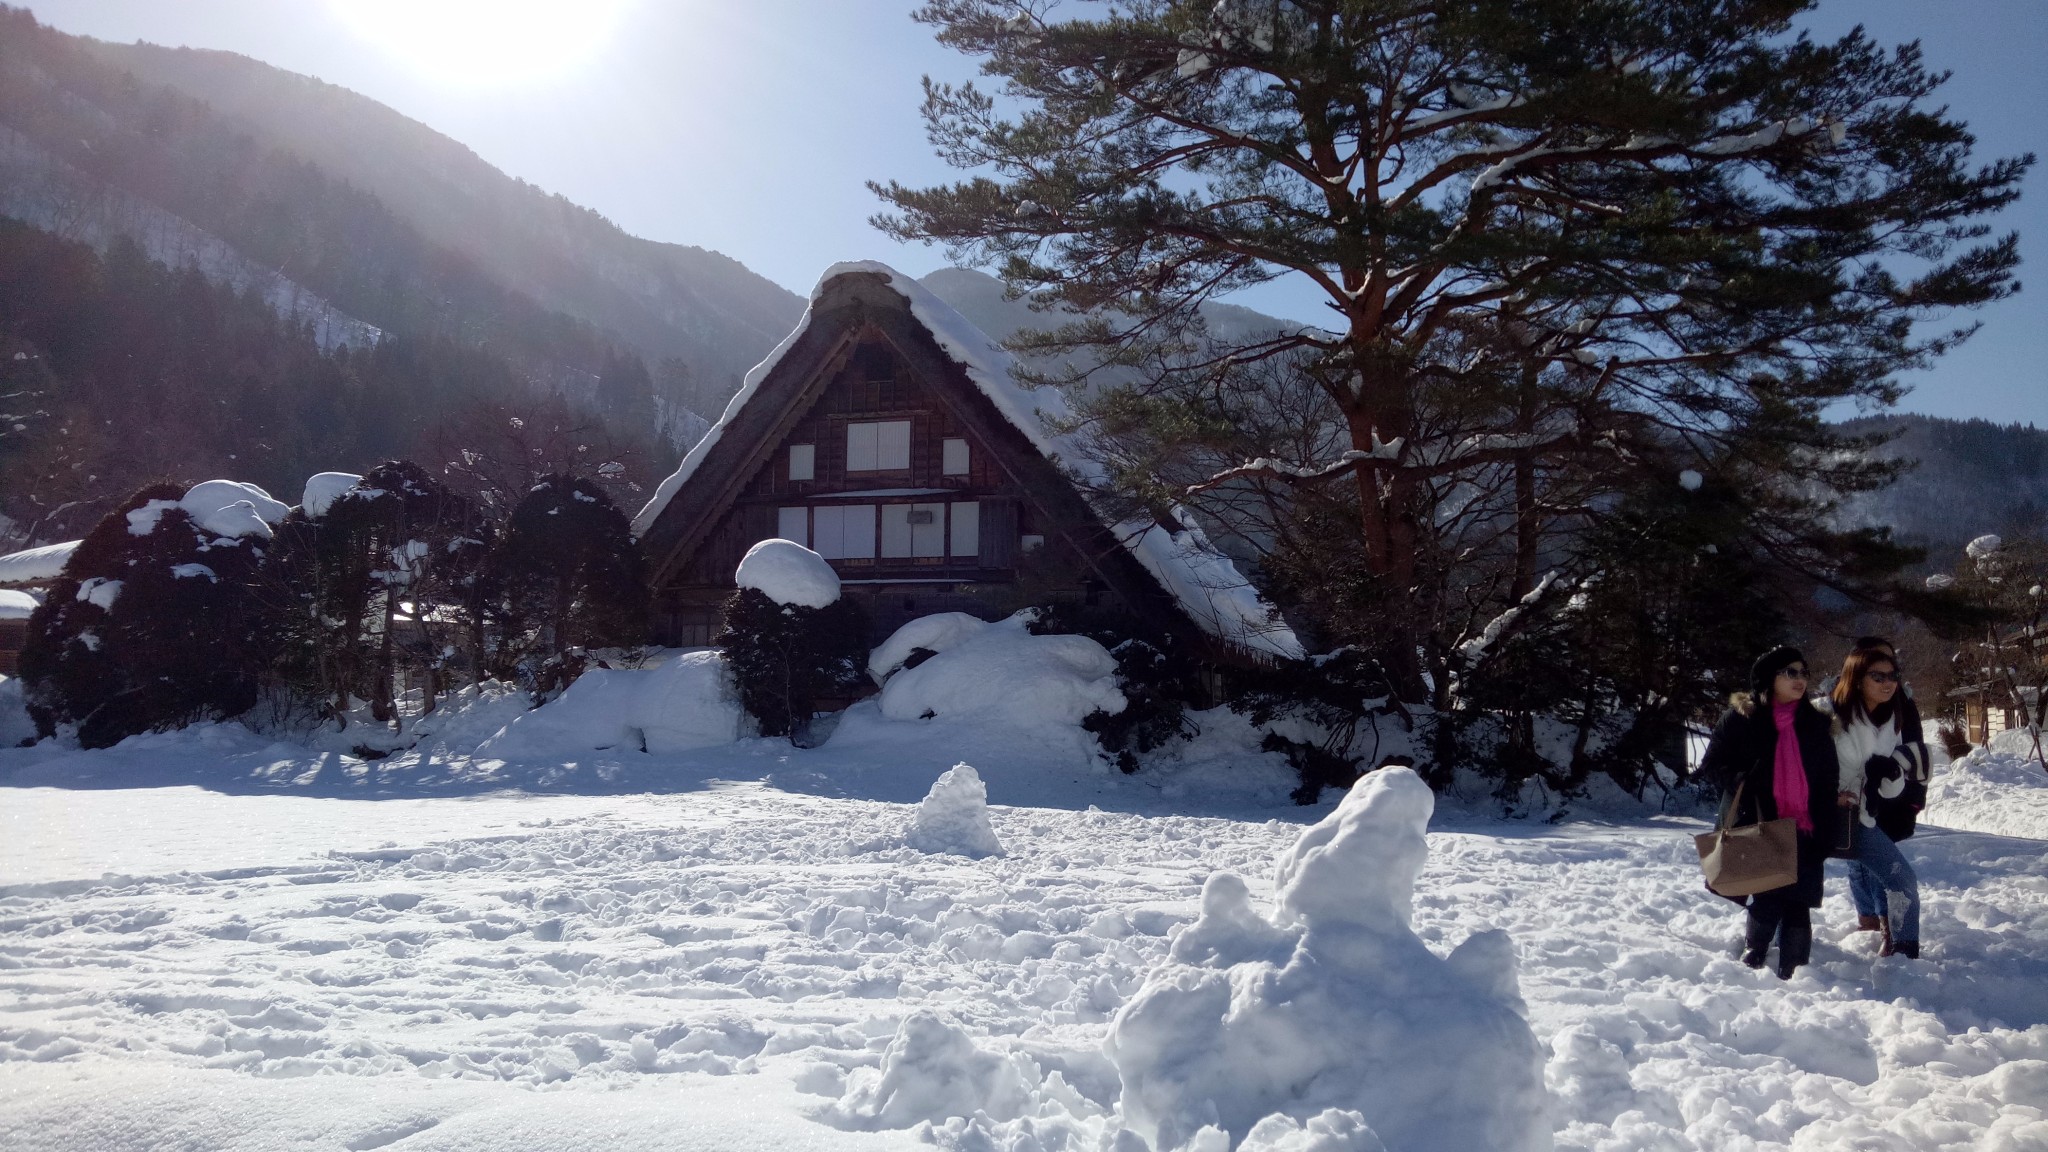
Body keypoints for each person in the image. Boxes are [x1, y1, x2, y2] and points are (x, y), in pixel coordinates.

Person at [1699, 646, 1851, 979]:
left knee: (1799, 901)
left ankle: (1796, 974)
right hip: (1759, 823)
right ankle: (1755, 956)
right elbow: (1710, 765)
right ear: (1770, 677)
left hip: (1806, 826)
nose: (1800, 679)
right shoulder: (1742, 719)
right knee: (1768, 892)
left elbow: (1828, 778)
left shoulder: (1815, 724)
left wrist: (1826, 825)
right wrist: (1741, 778)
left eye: (1803, 672)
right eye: (1791, 672)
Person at [1823, 644, 1924, 958]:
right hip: (1816, 814)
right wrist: (1828, 795)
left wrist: (1890, 777)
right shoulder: (1827, 715)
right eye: (1877, 676)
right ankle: (1763, 946)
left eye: (1892, 675)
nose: (1887, 682)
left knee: (1901, 878)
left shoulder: (1894, 716)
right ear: (1855, 678)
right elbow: (1795, 767)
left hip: (1862, 816)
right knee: (1789, 883)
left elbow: (1897, 776)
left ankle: (1903, 950)